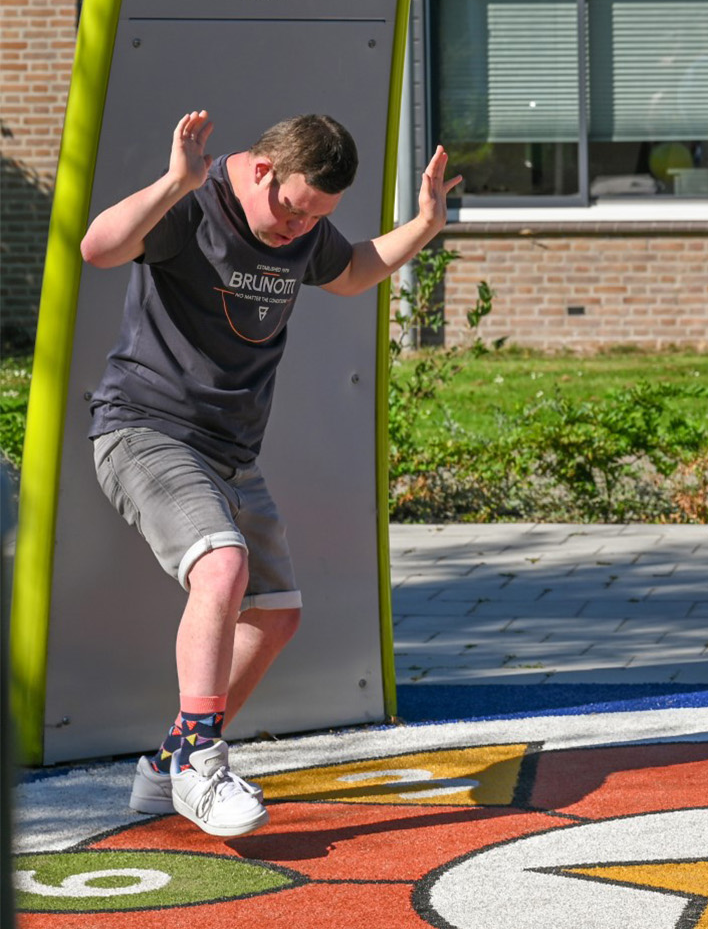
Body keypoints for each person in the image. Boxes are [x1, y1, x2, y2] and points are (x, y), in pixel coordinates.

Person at [80, 111, 461, 836]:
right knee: (220, 567)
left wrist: (424, 226)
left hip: (229, 452)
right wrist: (173, 180)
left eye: (317, 216)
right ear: (262, 170)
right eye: (292, 208)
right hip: (146, 430)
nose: (297, 229)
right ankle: (199, 757)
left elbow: (351, 272)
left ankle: (165, 770)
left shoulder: (304, 230)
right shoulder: (193, 206)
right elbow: (98, 248)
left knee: (276, 614)